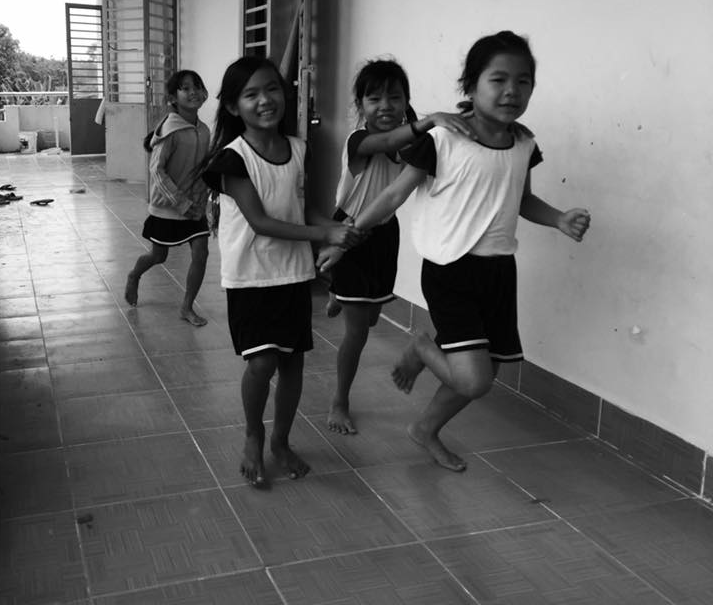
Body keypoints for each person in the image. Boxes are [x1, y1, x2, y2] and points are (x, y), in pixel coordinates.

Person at [318, 31, 590, 471]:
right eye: (498, 79)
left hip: (499, 271)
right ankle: (424, 348)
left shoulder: (524, 144)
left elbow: (521, 199)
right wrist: (346, 238)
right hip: (451, 269)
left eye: (523, 81)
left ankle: (425, 428)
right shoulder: (442, 139)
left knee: (490, 369)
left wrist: (558, 218)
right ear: (471, 85)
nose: (511, 91)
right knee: (474, 379)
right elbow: (392, 196)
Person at [202, 56, 361, 488]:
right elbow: (261, 221)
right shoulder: (231, 160)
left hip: (292, 273)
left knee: (292, 365)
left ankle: (281, 441)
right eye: (251, 94)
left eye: (272, 89)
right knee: (262, 363)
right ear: (233, 107)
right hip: (250, 276)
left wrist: (336, 228)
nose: (265, 100)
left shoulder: (299, 148)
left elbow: (300, 207)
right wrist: (323, 234)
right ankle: (254, 434)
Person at [325, 59, 473, 435]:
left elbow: (427, 157)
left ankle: (340, 293)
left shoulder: (415, 145)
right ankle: (339, 401)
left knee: (372, 316)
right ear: (360, 105)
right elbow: (388, 141)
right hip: (349, 230)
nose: (385, 106)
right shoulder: (359, 140)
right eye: (374, 99)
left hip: (384, 234)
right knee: (357, 332)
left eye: (394, 97)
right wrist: (432, 119)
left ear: (406, 100)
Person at [125, 70, 212, 326]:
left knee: (201, 252)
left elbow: (203, 168)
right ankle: (134, 275)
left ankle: (187, 307)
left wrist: (206, 198)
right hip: (167, 207)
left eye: (197, 86)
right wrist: (181, 203)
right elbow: (157, 171)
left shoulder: (204, 130)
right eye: (185, 88)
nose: (193, 92)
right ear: (173, 97)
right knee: (158, 256)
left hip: (194, 208)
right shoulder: (170, 130)